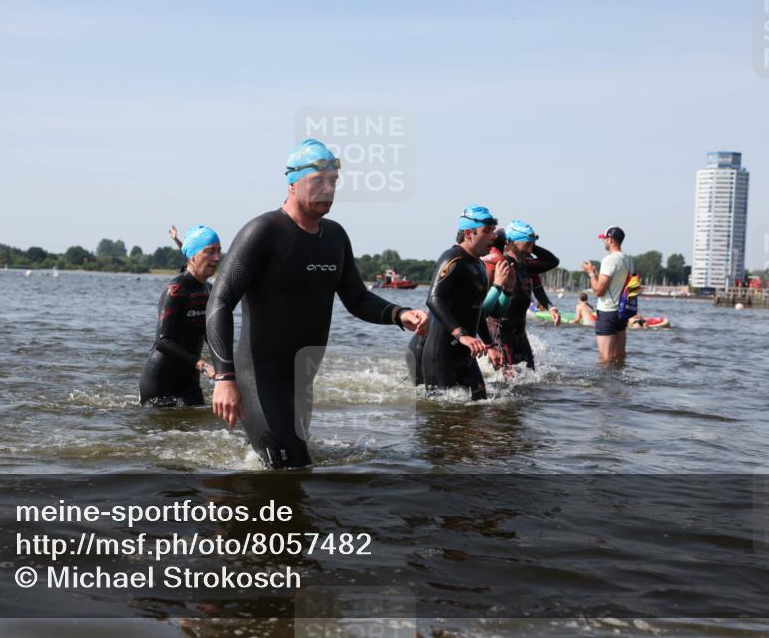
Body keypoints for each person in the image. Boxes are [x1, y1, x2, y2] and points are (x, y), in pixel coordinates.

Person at [205, 138, 428, 469]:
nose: (328, 189)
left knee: (295, 468)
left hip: (301, 380)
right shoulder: (263, 232)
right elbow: (219, 302)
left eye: (333, 181)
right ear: (292, 183)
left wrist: (399, 314)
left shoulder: (335, 237)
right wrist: (225, 378)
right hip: (260, 378)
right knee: (289, 470)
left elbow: (357, 297)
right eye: (318, 180)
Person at [420, 206, 506, 400]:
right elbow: (434, 299)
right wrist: (462, 335)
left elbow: (477, 311)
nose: (493, 237)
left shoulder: (479, 265)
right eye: (487, 231)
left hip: (466, 355)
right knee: (443, 415)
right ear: (468, 233)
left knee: (480, 406)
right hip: (441, 356)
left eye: (493, 231)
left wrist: (490, 345)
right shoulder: (453, 259)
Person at [139, 226, 221, 406]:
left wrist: (226, 368)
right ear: (192, 256)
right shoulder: (175, 291)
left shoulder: (210, 290)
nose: (217, 257)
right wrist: (202, 365)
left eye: (219, 251)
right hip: (159, 384)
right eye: (210, 251)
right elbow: (163, 341)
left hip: (190, 383)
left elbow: (211, 335)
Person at [482, 221, 560, 372]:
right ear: (512, 243)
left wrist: (550, 307)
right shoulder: (499, 263)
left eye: (533, 245)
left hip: (520, 332)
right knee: (506, 379)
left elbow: (552, 263)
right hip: (500, 332)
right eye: (528, 244)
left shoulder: (526, 265)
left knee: (530, 375)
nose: (531, 250)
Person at [581, 226, 633, 363]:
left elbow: (599, 291)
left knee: (606, 357)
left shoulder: (609, 260)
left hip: (608, 312)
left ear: (610, 239)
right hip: (622, 311)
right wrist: (596, 273)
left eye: (605, 239)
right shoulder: (628, 259)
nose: (604, 241)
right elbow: (615, 283)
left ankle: (606, 378)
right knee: (620, 356)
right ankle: (620, 377)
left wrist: (590, 274)